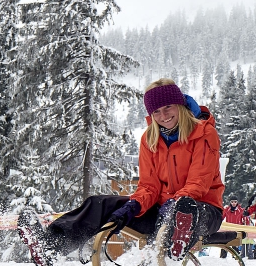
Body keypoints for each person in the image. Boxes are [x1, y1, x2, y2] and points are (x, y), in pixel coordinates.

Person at [16, 78, 225, 266]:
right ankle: (51, 246)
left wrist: (175, 204)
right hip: (160, 211)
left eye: (168, 107)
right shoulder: (149, 139)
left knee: (184, 207)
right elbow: (149, 186)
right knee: (101, 203)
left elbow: (199, 181)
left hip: (202, 210)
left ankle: (174, 243)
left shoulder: (205, 133)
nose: (163, 116)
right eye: (156, 112)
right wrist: (134, 204)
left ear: (180, 105)